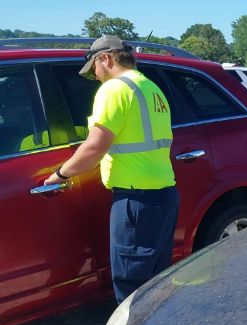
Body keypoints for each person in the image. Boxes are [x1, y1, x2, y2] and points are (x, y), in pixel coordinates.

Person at [44, 35, 178, 303]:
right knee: (154, 282)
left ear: (105, 58)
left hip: (135, 201)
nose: (96, 76)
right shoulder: (150, 88)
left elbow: (95, 147)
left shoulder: (115, 89)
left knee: (131, 289)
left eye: (94, 68)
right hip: (164, 196)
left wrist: (59, 175)